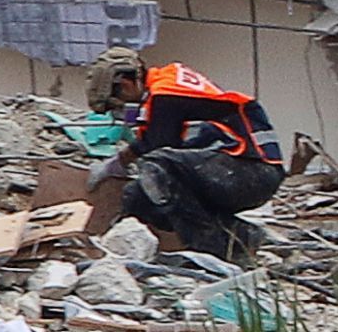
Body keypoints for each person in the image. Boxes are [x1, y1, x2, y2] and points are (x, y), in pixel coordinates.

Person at [83, 47, 285, 260]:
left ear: (126, 84)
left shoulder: (165, 94)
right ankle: (241, 236)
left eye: (118, 103)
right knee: (137, 197)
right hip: (231, 171)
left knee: (156, 168)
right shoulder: (164, 87)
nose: (122, 109)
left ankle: (211, 254)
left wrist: (116, 163)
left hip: (252, 171)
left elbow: (157, 146)